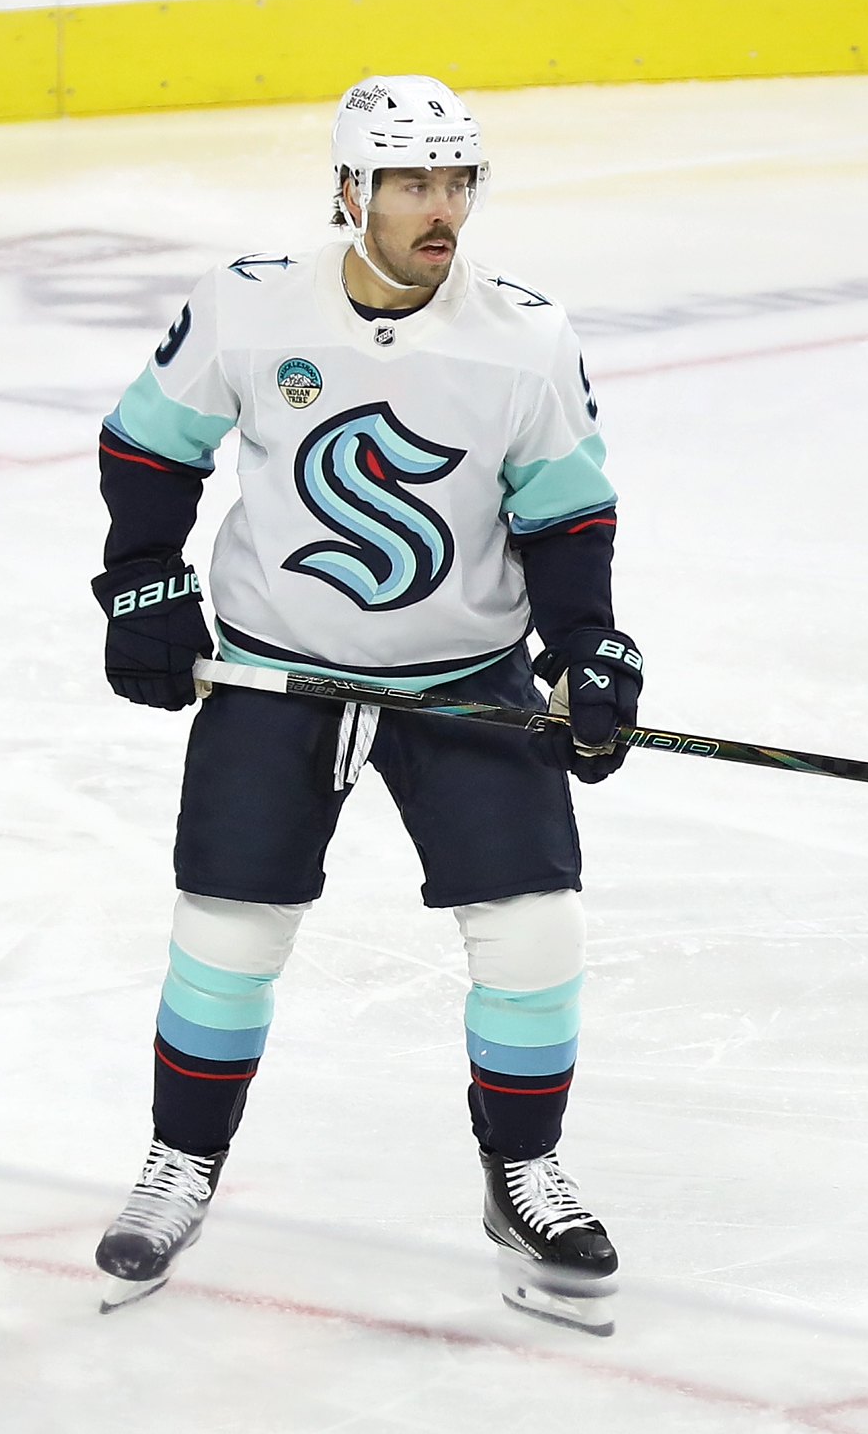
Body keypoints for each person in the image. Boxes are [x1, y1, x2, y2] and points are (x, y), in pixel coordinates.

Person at [88, 74, 643, 1335]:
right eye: (410, 183)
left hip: (465, 683)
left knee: (534, 935)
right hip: (275, 674)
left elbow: (566, 511)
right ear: (349, 191)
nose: (440, 208)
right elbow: (148, 445)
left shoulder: (523, 337)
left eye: (457, 182)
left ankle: (523, 1173)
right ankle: (181, 1161)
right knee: (228, 931)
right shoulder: (248, 307)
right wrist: (141, 580)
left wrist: (587, 647)